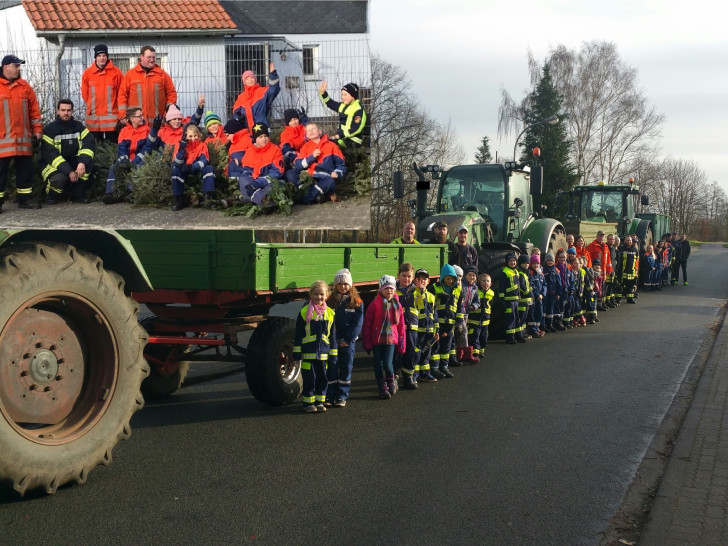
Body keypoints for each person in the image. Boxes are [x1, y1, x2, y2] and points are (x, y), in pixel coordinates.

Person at [0, 54, 43, 211]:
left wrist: (37, 131)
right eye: (16, 66)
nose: (19, 69)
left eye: (19, 66)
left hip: (23, 140)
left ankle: (25, 200)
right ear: (6, 67)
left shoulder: (25, 87)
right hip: (3, 141)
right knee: (0, 174)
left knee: (25, 173)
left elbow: (34, 112)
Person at [293, 280, 337, 413]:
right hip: (308, 354)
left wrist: (333, 355)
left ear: (327, 295)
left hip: (323, 354)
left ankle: (319, 402)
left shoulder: (330, 313)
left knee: (323, 379)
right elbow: (299, 334)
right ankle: (308, 404)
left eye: (322, 294)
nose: (319, 297)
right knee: (309, 380)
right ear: (310, 295)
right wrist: (297, 353)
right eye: (316, 294)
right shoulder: (304, 312)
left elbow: (333, 336)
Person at [42, 99, 95, 204]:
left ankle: (77, 195)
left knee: (88, 165)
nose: (66, 113)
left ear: (72, 111)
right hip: (53, 164)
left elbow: (89, 144)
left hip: (74, 161)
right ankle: (51, 196)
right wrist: (69, 171)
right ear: (57, 111)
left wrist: (82, 162)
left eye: (68, 110)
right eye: (63, 110)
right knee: (59, 178)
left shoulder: (79, 127)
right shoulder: (49, 130)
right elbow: (51, 155)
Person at [362, 274, 406, 400]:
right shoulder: (374, 304)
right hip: (377, 340)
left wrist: (402, 344)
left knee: (387, 363)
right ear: (381, 289)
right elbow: (367, 325)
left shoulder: (397, 305)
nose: (389, 291)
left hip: (391, 339)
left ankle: (391, 381)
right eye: (386, 288)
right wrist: (367, 343)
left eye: (391, 288)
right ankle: (382, 387)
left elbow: (401, 326)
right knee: (378, 365)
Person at [325, 269, 363, 407]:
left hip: (348, 342)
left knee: (346, 367)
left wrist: (347, 340)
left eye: (345, 283)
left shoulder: (356, 302)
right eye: (340, 284)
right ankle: (330, 395)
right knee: (332, 367)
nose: (343, 287)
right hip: (333, 341)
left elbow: (357, 324)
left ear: (350, 285)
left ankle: (341, 396)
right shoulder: (330, 301)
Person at [119, 45, 177, 124]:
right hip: (136, 123)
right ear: (141, 57)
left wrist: (169, 113)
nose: (152, 60)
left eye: (153, 57)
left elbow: (171, 94)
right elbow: (122, 96)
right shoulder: (130, 75)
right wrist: (123, 115)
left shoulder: (163, 75)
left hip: (158, 123)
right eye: (149, 57)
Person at [103, 107, 149, 203]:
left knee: (137, 167)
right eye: (139, 116)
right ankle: (110, 193)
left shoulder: (147, 130)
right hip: (128, 158)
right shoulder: (124, 131)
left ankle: (131, 192)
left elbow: (147, 148)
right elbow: (121, 147)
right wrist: (124, 158)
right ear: (132, 119)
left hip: (140, 158)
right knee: (114, 167)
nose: (142, 118)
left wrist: (136, 159)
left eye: (142, 116)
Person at [292, 122, 346, 204]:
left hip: (325, 177)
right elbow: (298, 165)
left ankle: (305, 199)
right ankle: (321, 195)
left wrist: (337, 173)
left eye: (313, 129)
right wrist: (311, 157)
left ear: (320, 131)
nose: (311, 131)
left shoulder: (331, 145)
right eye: (308, 131)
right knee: (290, 173)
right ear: (306, 135)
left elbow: (341, 164)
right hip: (310, 176)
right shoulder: (305, 147)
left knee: (330, 182)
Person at [81, 43, 123, 143]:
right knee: (95, 148)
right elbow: (85, 94)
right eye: (99, 56)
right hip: (94, 120)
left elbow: (121, 94)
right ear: (95, 57)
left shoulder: (116, 73)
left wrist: (120, 114)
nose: (102, 58)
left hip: (112, 120)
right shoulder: (88, 73)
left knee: (112, 149)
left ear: (107, 56)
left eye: (104, 55)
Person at [170, 122, 216, 211]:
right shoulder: (179, 145)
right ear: (185, 136)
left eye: (195, 136)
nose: (193, 139)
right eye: (190, 136)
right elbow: (176, 163)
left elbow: (204, 161)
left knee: (209, 169)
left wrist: (192, 167)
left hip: (196, 168)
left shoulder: (202, 145)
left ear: (199, 135)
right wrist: (182, 150)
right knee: (175, 171)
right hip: (183, 168)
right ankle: (178, 199)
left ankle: (208, 198)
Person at [239, 122, 284, 209]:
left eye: (265, 136)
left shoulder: (275, 150)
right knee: (243, 180)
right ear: (255, 139)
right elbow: (247, 171)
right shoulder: (250, 151)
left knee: (279, 184)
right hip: (253, 181)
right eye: (260, 137)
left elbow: (277, 172)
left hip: (269, 181)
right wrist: (252, 182)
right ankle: (263, 201)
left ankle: (246, 199)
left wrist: (258, 183)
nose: (264, 139)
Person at [428, 263, 461, 377]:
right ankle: (434, 368)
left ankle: (444, 367)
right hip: (438, 323)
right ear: (443, 278)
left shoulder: (457, 290)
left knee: (446, 346)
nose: (450, 281)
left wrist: (460, 322)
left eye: (452, 279)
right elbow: (428, 302)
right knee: (436, 345)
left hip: (450, 323)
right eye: (448, 278)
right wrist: (437, 297)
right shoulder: (435, 288)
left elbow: (460, 307)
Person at [319, 80, 367, 148]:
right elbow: (330, 103)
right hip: (343, 139)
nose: (343, 97)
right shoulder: (343, 105)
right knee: (323, 143)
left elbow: (356, 128)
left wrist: (339, 136)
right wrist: (323, 93)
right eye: (342, 95)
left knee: (328, 146)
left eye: (345, 95)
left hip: (353, 141)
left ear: (353, 95)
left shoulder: (358, 109)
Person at [232, 63, 280, 130]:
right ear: (244, 82)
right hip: (246, 130)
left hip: (262, 128)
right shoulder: (241, 97)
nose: (250, 80)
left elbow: (274, 89)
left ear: (255, 79)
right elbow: (235, 112)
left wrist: (273, 74)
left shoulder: (262, 92)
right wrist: (238, 118)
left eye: (252, 77)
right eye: (247, 79)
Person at [412, 268, 439, 383]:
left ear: (428, 281)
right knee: (416, 352)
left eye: (424, 279)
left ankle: (425, 373)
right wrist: (420, 292)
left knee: (427, 353)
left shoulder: (432, 296)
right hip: (418, 330)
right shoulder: (414, 294)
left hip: (429, 330)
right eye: (419, 279)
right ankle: (414, 374)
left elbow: (435, 314)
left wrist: (436, 330)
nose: (422, 281)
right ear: (414, 280)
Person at [395, 263, 418, 389]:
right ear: (398, 276)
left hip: (412, 327)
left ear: (413, 277)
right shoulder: (393, 291)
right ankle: (395, 377)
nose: (406, 279)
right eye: (404, 276)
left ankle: (408, 377)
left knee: (410, 352)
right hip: (398, 328)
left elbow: (424, 307)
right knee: (397, 353)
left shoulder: (417, 291)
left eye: (409, 276)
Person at [468, 273, 493, 359]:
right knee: (474, 336)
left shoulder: (491, 293)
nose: (486, 283)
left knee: (484, 336)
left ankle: (481, 350)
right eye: (483, 281)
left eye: (487, 281)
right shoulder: (475, 292)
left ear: (490, 283)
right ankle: (475, 352)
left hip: (485, 321)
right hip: (474, 320)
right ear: (479, 282)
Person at [459, 265, 480, 362]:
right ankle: (467, 353)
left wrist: (473, 307)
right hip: (459, 313)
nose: (471, 277)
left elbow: (477, 301)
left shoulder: (475, 288)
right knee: (464, 332)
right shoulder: (460, 285)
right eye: (469, 275)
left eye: (474, 275)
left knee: (460, 333)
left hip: (466, 313)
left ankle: (459, 354)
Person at [499, 252, 521, 344]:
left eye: (514, 261)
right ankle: (510, 337)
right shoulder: (504, 272)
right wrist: (502, 300)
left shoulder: (516, 271)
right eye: (511, 261)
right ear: (507, 262)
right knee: (510, 319)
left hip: (516, 300)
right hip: (509, 301)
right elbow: (501, 287)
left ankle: (518, 335)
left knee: (517, 318)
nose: (513, 263)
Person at [280, 108, 308, 178]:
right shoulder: (285, 134)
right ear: (287, 123)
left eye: (295, 119)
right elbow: (286, 148)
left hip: (307, 155)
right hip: (293, 158)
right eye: (291, 121)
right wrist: (295, 156)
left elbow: (311, 140)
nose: (294, 122)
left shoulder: (305, 129)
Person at [542, 252, 562, 333]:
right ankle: (543, 324)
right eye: (548, 260)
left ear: (554, 261)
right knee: (544, 309)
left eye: (551, 260)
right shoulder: (543, 270)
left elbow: (559, 283)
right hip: (545, 294)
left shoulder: (556, 270)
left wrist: (558, 293)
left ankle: (550, 324)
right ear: (546, 261)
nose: (550, 262)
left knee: (551, 309)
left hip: (553, 294)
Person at [527, 254, 546, 338]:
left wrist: (542, 294)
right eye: (534, 263)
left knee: (539, 313)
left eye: (537, 263)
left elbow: (545, 284)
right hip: (534, 297)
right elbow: (531, 285)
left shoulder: (541, 274)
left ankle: (537, 328)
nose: (535, 265)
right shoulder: (530, 273)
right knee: (532, 314)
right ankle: (533, 330)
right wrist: (537, 294)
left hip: (540, 297)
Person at [616, 235, 639, 303]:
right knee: (620, 285)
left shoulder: (635, 250)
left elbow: (636, 261)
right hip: (622, 271)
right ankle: (618, 299)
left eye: (630, 240)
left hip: (631, 272)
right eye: (627, 240)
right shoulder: (620, 249)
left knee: (630, 286)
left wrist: (636, 270)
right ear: (624, 241)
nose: (629, 242)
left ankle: (630, 299)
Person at [516, 254, 533, 340]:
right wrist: (528, 292)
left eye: (527, 263)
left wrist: (531, 291)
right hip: (522, 299)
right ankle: (519, 334)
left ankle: (523, 333)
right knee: (521, 317)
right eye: (524, 263)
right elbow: (522, 286)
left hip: (526, 300)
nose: (526, 265)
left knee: (524, 317)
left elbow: (528, 284)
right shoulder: (520, 273)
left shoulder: (526, 273)